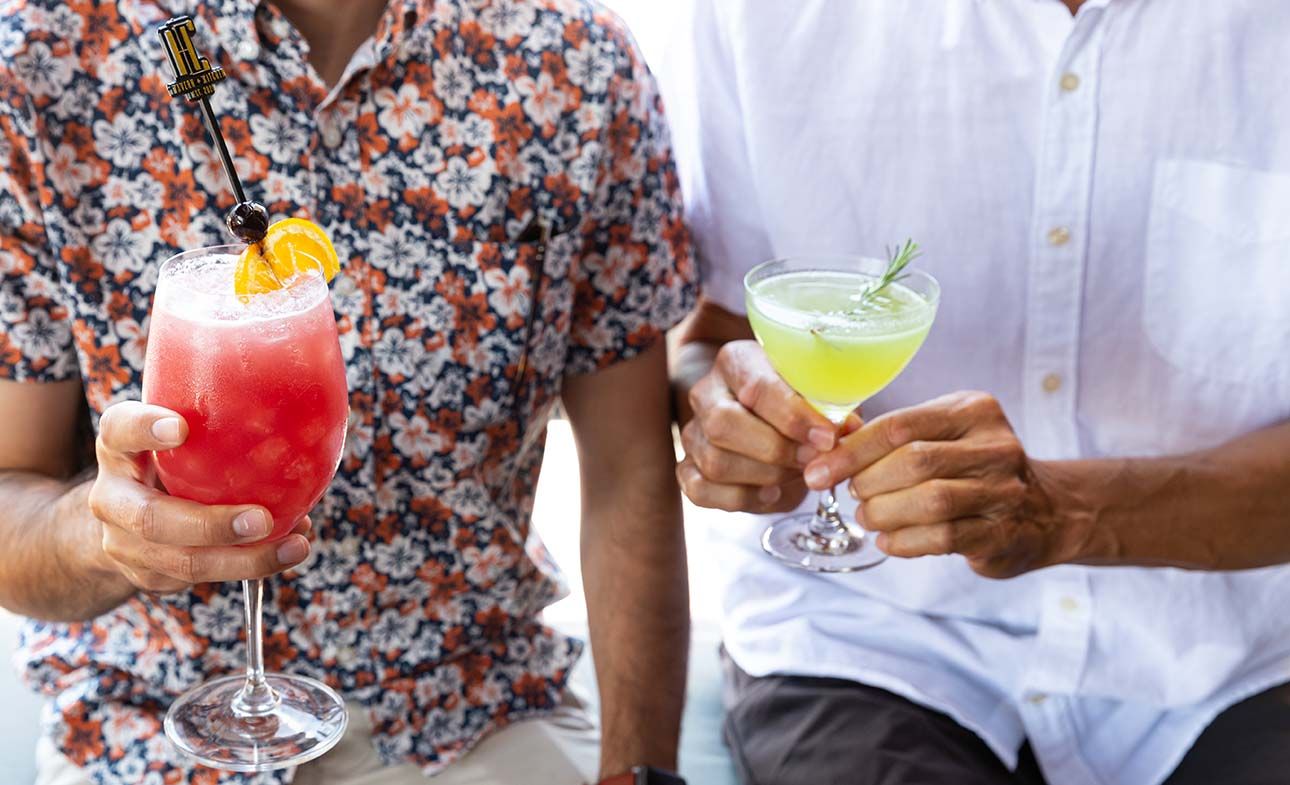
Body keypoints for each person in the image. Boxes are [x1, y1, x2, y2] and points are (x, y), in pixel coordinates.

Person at [0, 1, 697, 784]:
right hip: (151, 715)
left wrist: (640, 772)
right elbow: (7, 494)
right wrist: (105, 535)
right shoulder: (41, 54)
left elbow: (632, 466)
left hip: (474, 701)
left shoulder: (575, 61)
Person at [663, 1, 1290, 784]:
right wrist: (722, 411)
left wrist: (1063, 509)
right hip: (865, 635)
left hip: (1232, 652)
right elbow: (716, 328)